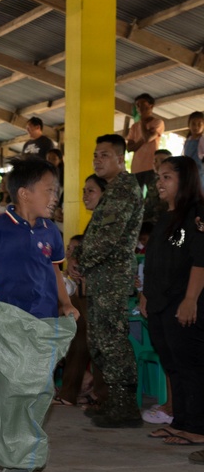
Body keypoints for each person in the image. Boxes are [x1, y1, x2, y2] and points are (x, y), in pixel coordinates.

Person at [70, 134, 144, 428]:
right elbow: (96, 236)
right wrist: (80, 259)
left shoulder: (124, 190)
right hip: (101, 277)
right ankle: (113, 400)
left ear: (120, 159)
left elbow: (108, 238)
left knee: (113, 341)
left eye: (104, 155)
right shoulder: (113, 190)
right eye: (95, 155)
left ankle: (126, 407)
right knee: (100, 341)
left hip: (112, 278)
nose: (97, 160)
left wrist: (81, 260)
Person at [139, 155, 204, 448]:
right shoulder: (165, 217)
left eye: (167, 177)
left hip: (183, 301)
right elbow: (154, 259)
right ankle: (180, 421)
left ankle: (197, 427)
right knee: (172, 364)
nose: (159, 183)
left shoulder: (197, 214)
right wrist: (146, 293)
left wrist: (190, 299)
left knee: (190, 365)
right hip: (160, 302)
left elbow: (200, 260)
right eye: (158, 177)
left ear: (185, 180)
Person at [0, 157, 78, 322]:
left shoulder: (51, 230)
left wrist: (66, 303)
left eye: (56, 191)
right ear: (24, 194)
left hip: (43, 318)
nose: (55, 198)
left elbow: (54, 270)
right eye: (49, 191)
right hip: (6, 319)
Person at [56, 176, 109, 407]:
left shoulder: (110, 222)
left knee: (97, 341)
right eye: (84, 191)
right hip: (86, 290)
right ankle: (69, 393)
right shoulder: (94, 222)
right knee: (79, 338)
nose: (85, 195)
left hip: (102, 292)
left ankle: (102, 395)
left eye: (91, 191)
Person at [127, 93, 165, 189]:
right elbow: (129, 148)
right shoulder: (134, 127)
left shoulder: (158, 122)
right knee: (136, 196)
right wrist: (142, 140)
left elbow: (148, 138)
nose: (139, 107)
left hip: (151, 166)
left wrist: (142, 122)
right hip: (136, 168)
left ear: (151, 106)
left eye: (142, 104)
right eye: (137, 105)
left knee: (152, 194)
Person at [184, 111, 204, 189]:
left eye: (199, 124)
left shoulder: (202, 139)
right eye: (193, 124)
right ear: (189, 125)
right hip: (188, 171)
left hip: (199, 172)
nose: (196, 127)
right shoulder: (187, 140)